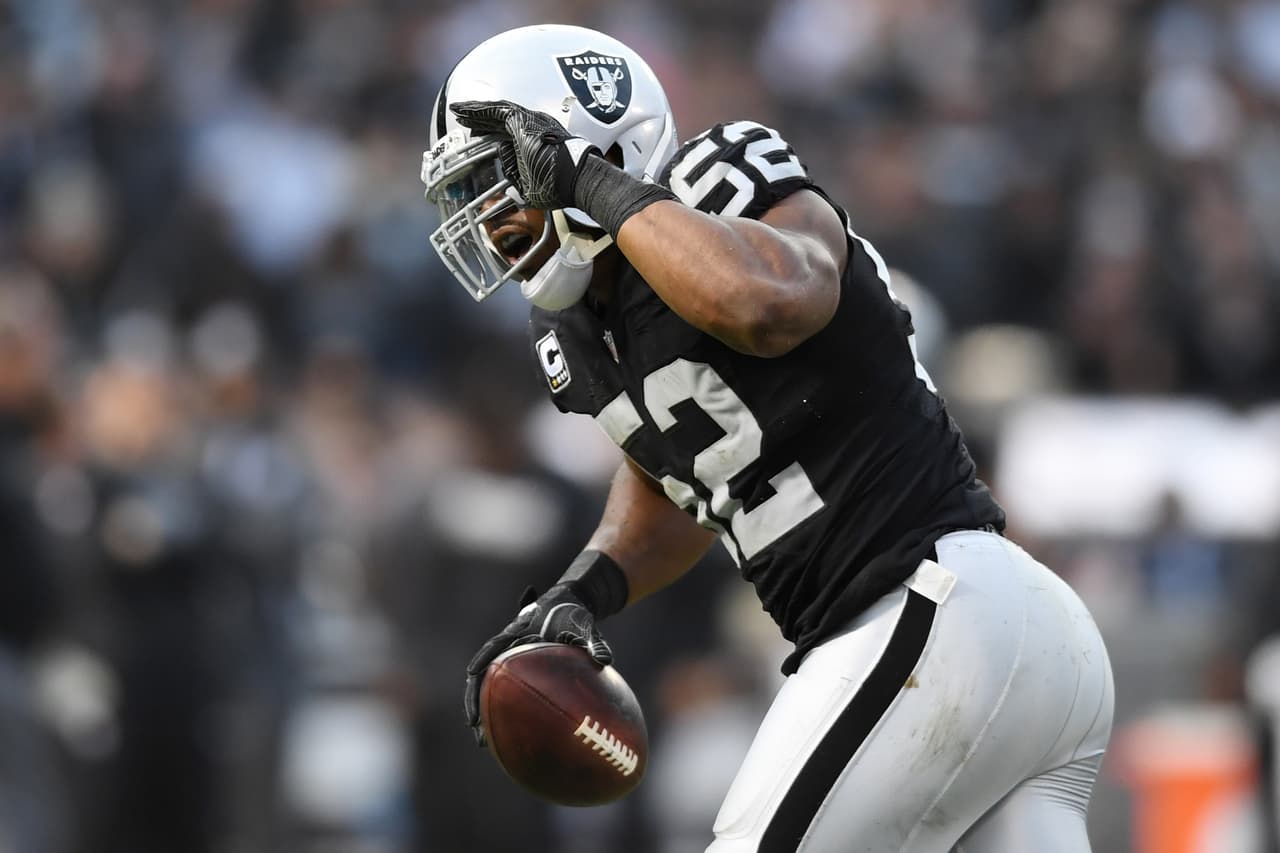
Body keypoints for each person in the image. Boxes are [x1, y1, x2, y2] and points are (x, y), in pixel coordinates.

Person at [421, 23, 1115, 852]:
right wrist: (581, 588)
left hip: (928, 609)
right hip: (985, 642)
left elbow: (772, 300)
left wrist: (587, 183)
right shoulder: (577, 329)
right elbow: (686, 477)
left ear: (589, 136)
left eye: (502, 180)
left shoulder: (718, 177)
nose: (487, 218)